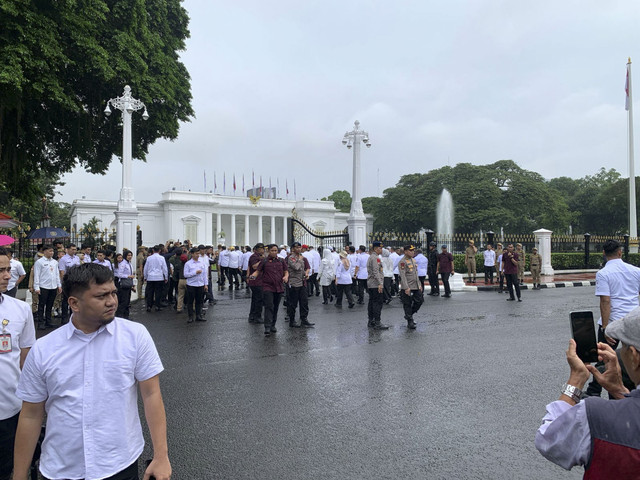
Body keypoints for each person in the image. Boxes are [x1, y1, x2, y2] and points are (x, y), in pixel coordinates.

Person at [14, 263, 171, 480]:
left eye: (113, 293)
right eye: (101, 296)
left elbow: (152, 395)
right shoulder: (44, 349)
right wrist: (20, 475)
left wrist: (161, 456)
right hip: (62, 468)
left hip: (119, 464)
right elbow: (31, 414)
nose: (112, 301)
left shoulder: (135, 336)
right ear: (74, 303)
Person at [535, 308, 640, 475]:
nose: (621, 352)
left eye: (625, 346)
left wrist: (576, 379)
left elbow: (548, 441)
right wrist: (620, 391)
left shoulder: (595, 415)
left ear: (634, 357)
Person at [585, 239, 640, 398]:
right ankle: (630, 390)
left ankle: (594, 391)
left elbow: (605, 301)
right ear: (620, 252)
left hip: (613, 322)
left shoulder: (603, 273)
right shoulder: (636, 270)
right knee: (633, 356)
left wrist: (605, 327)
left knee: (602, 358)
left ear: (603, 253)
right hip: (632, 321)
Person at [0, 248, 36, 480]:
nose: (7, 275)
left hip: (9, 409)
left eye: (7, 269)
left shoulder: (20, 309)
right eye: (0, 270)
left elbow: (26, 359)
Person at [249, 244, 288, 336]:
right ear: (268, 251)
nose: (274, 252)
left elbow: (286, 271)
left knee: (275, 307)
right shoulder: (264, 261)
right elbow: (258, 271)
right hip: (267, 287)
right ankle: (267, 326)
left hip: (278, 287)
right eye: (272, 251)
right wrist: (253, 276)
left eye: (275, 251)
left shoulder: (281, 261)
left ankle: (273, 325)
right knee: (269, 306)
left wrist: (286, 277)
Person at [32, 245, 61, 330]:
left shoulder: (55, 262)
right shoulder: (39, 262)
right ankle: (41, 322)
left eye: (52, 251)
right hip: (43, 286)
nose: (51, 253)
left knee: (50, 304)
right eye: (49, 251)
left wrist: (59, 285)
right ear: (44, 252)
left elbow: (56, 274)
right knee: (42, 305)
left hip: (53, 286)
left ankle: (48, 321)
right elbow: (36, 275)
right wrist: (36, 287)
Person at [286, 242, 313, 328]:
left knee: (304, 302)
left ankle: (304, 319)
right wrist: (300, 259)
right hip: (294, 283)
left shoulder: (303, 258)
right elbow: (296, 267)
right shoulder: (291, 258)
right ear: (293, 249)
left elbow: (307, 267)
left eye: (299, 247)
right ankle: (292, 320)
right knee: (293, 303)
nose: (298, 249)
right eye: (296, 247)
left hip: (303, 282)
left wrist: (307, 273)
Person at [398, 245, 424, 329]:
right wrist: (406, 287)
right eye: (410, 250)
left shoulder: (413, 260)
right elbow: (403, 275)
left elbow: (416, 274)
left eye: (413, 250)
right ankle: (410, 321)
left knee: (419, 301)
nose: (413, 252)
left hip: (415, 285)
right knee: (407, 304)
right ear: (405, 251)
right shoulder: (403, 262)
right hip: (408, 286)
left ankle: (409, 315)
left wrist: (419, 284)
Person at [367, 241, 388, 330]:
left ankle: (371, 320)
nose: (381, 249)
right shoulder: (375, 258)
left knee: (372, 302)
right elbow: (376, 271)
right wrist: (380, 283)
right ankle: (377, 322)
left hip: (371, 283)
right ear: (375, 248)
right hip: (375, 284)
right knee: (377, 303)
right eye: (380, 248)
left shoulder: (372, 257)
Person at [184, 247, 208, 323]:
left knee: (199, 301)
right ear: (192, 254)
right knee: (190, 301)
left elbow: (205, 274)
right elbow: (185, 275)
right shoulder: (188, 264)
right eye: (196, 254)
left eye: (198, 254)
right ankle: (190, 316)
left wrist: (206, 284)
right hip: (191, 284)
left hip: (200, 284)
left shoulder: (201, 263)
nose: (198, 255)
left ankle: (198, 315)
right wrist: (195, 273)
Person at [58, 243, 80, 324]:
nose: (74, 251)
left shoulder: (77, 258)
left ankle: (73, 317)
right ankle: (64, 318)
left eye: (75, 249)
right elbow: (62, 272)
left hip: (76, 282)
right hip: (67, 282)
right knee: (65, 301)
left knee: (75, 300)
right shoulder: (63, 259)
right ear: (67, 249)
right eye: (72, 249)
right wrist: (63, 283)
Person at [143, 245, 168, 312]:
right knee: (158, 292)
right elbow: (164, 268)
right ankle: (157, 305)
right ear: (159, 250)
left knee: (150, 292)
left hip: (150, 277)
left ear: (153, 250)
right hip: (159, 277)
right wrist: (166, 277)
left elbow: (146, 268)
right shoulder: (162, 258)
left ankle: (149, 306)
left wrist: (145, 276)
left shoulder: (149, 258)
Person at [246, 243, 265, 324]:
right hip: (256, 281)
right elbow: (254, 266)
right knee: (258, 299)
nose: (263, 250)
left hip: (259, 280)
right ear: (257, 249)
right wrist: (262, 260)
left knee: (255, 299)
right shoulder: (254, 256)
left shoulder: (259, 256)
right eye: (261, 249)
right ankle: (257, 316)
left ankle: (252, 316)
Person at [115, 250, 136, 319]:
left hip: (128, 284)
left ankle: (126, 315)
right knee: (123, 300)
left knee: (127, 301)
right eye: (128, 255)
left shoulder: (129, 263)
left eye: (131, 255)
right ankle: (120, 315)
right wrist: (128, 276)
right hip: (123, 284)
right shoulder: (123, 264)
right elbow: (119, 274)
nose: (130, 257)